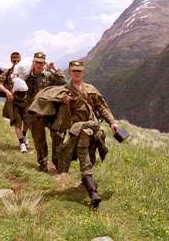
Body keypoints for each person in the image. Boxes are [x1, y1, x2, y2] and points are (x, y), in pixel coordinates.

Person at [28, 60, 119, 208]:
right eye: (74, 71)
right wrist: (61, 100)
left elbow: (102, 107)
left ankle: (86, 183)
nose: (77, 73)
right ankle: (93, 193)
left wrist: (113, 122)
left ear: (83, 72)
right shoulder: (63, 90)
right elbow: (42, 99)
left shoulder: (91, 89)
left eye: (79, 71)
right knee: (85, 160)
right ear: (70, 72)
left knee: (91, 156)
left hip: (94, 129)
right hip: (77, 131)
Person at [25, 52, 67, 172]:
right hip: (34, 113)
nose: (39, 65)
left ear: (44, 63)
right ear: (33, 62)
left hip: (50, 111)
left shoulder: (49, 76)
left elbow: (63, 82)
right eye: (37, 62)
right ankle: (43, 163)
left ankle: (57, 161)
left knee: (57, 135)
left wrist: (56, 69)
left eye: (41, 62)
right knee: (39, 139)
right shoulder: (26, 77)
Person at [0, 52, 29, 153]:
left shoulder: (25, 71)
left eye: (18, 60)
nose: (16, 62)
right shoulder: (7, 72)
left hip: (26, 100)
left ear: (20, 60)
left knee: (28, 121)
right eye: (14, 61)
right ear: (11, 60)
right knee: (16, 121)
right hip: (13, 101)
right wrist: (7, 92)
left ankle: (24, 135)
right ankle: (22, 144)